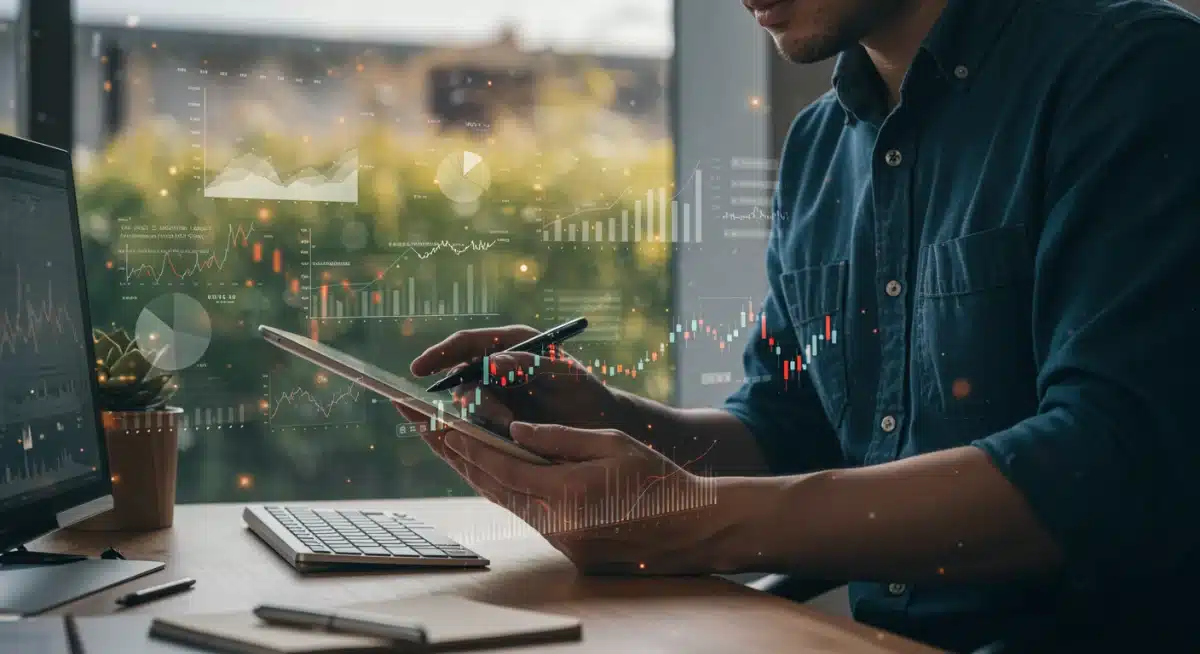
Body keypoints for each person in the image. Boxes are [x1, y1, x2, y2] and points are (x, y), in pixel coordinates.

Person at [402, 0, 1200, 650]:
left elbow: (1106, 468)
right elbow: (793, 424)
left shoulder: (1134, 74)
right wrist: (605, 418)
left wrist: (692, 523)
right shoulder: (821, 147)